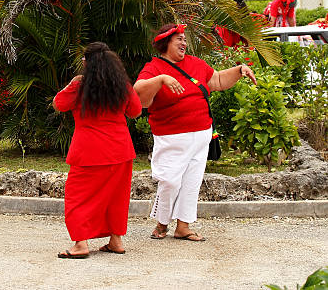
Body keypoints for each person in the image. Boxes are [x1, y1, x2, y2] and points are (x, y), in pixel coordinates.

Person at [133, 23, 256, 241]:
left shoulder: (195, 63)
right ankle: (162, 223)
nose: (184, 42)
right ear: (165, 43)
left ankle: (183, 226)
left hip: (201, 134)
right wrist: (161, 80)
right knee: (169, 180)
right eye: (178, 39)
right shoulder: (154, 67)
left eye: (184, 38)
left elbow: (216, 80)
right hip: (170, 136)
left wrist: (239, 70)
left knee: (192, 181)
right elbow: (138, 94)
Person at [53, 42, 142, 259]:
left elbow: (59, 103)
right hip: (120, 151)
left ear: (86, 63)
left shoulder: (79, 87)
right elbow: (136, 111)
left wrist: (72, 83)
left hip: (89, 152)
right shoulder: (122, 86)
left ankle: (81, 244)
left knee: (77, 197)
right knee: (116, 198)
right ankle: (116, 241)